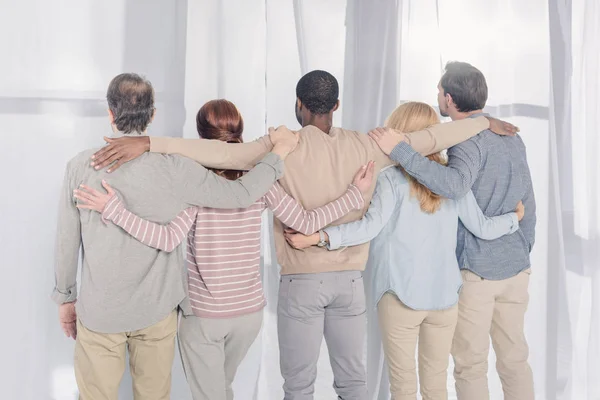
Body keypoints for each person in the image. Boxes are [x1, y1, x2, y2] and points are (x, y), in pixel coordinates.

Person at [88, 70, 518, 399]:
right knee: (353, 386)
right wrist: (483, 122)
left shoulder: (284, 144)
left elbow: (222, 153)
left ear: (299, 105)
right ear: (337, 105)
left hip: (298, 282)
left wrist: (149, 143)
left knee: (298, 387)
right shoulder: (367, 145)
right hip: (350, 282)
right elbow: (432, 137)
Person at [73, 99, 375, 400]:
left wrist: (115, 211)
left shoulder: (194, 182)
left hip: (206, 316)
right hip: (248, 316)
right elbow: (307, 222)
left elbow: (166, 240)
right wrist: (353, 196)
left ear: (202, 136)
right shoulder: (262, 180)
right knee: (222, 389)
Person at [52, 74, 298, 400]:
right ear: (152, 115)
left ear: (110, 113)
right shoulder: (176, 168)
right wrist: (277, 154)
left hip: (100, 312)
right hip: (157, 311)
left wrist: (66, 297)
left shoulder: (81, 166)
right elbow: (241, 194)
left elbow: (67, 239)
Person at [284, 101, 525, 400]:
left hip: (400, 296)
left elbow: (367, 228)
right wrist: (513, 220)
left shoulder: (390, 180)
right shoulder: (453, 182)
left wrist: (320, 237)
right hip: (445, 299)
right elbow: (484, 228)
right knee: (436, 387)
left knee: (403, 386)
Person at [367, 63, 536, 400]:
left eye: (438, 91)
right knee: (515, 359)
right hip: (516, 267)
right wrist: (523, 245)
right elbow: (528, 199)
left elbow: (454, 186)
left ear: (448, 97)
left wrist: (400, 150)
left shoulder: (466, 140)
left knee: (470, 365)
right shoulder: (512, 137)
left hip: (478, 271)